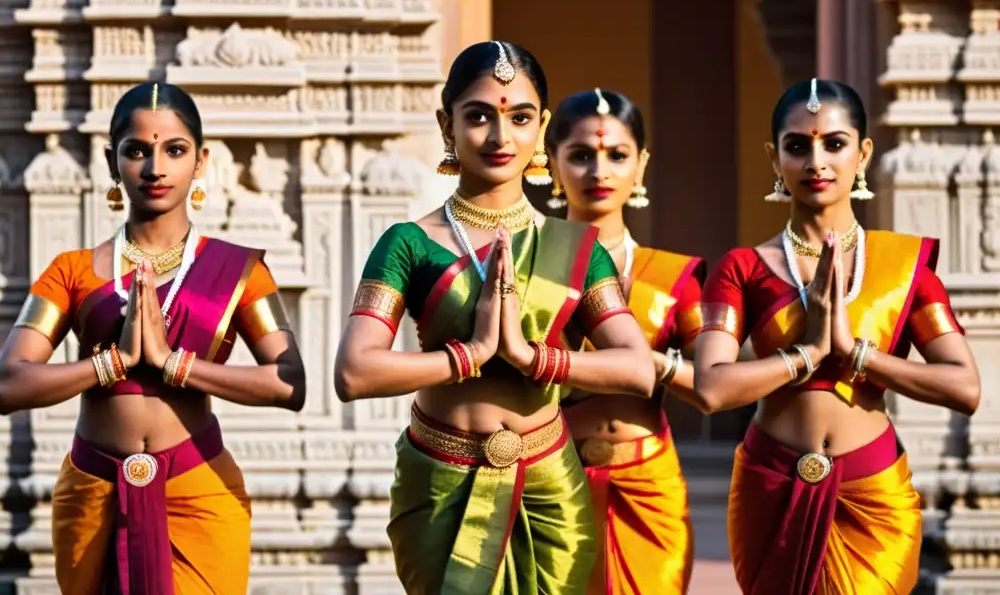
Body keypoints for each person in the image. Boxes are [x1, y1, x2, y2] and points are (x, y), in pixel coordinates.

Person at [333, 41, 656, 594]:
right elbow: (354, 372)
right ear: (447, 125)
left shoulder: (576, 249)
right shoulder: (409, 244)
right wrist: (471, 355)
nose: (500, 136)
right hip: (440, 484)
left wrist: (532, 358)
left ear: (542, 128)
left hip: (551, 490)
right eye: (479, 115)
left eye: (520, 117)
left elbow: (638, 369)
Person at [0, 82, 306, 594]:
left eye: (174, 150)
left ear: (200, 161)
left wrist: (172, 363)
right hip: (93, 489)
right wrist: (112, 362)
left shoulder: (241, 271)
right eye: (136, 150)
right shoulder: (72, 271)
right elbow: (9, 385)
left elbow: (290, 384)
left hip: (200, 490)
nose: (155, 167)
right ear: (111, 160)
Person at [693, 78, 981, 595]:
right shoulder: (743, 268)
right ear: (774, 157)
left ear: (863, 152)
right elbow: (711, 389)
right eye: (797, 146)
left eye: (834, 143)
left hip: (873, 494)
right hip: (772, 485)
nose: (816, 162)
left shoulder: (904, 268)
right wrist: (808, 354)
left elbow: (964, 388)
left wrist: (854, 353)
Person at [546, 88, 705, 594]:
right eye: (580, 156)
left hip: (648, 490)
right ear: (550, 164)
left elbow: (714, 383)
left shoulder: (673, 276)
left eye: (617, 156)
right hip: (546, 479)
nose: (599, 172)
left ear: (641, 166)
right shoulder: (524, 266)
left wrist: (651, 364)